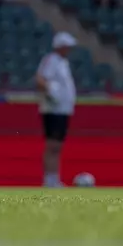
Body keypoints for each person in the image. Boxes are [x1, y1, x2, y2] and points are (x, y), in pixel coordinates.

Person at [36, 32, 78, 188]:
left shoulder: (62, 62)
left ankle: (54, 178)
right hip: (53, 109)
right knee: (52, 145)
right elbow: (41, 79)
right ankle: (49, 179)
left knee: (57, 146)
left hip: (63, 110)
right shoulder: (52, 60)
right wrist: (51, 93)